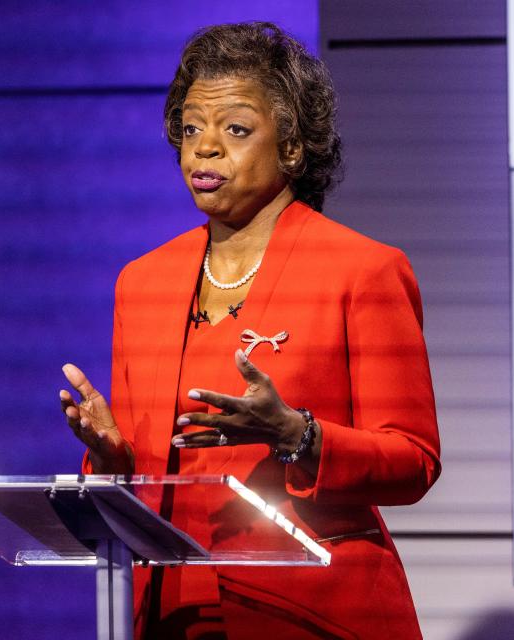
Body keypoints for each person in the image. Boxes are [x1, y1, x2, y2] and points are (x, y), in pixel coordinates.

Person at [59, 22, 440, 640]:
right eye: (189, 129)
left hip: (315, 613)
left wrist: (298, 434)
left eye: (235, 129)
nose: (203, 150)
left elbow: (413, 460)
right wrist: (109, 456)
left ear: (292, 146)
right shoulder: (142, 282)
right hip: (173, 613)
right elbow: (147, 475)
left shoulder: (364, 270)